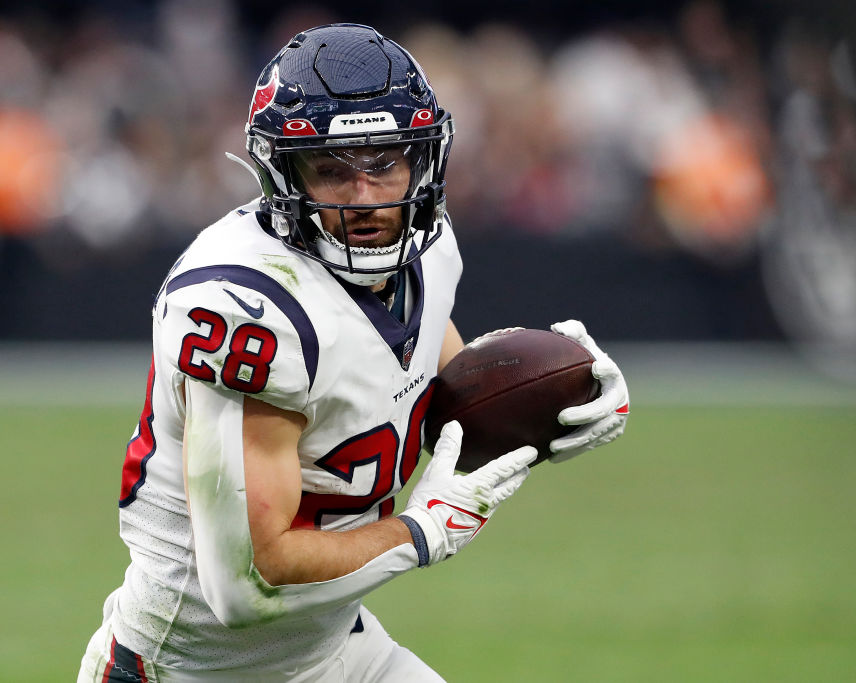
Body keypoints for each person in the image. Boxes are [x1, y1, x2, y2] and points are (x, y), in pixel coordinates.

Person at [77, 23, 629, 682]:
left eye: (385, 163)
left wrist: (562, 398)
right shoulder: (244, 305)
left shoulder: (428, 253)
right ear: (282, 172)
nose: (366, 198)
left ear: (420, 159)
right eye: (333, 169)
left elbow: (448, 396)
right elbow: (246, 585)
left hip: (334, 651)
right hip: (196, 670)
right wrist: (419, 532)